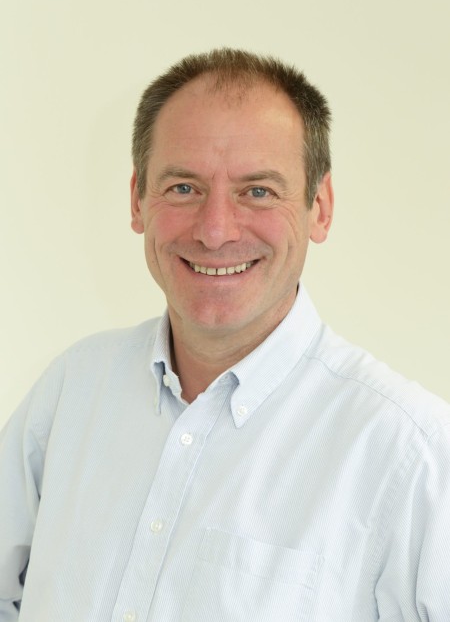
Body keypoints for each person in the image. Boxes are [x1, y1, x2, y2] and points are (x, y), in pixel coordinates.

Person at [1, 48, 449, 622]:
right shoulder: (71, 391)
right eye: (183, 187)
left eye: (257, 190)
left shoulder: (413, 453)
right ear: (138, 199)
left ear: (320, 206)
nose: (215, 231)